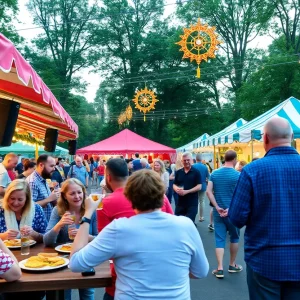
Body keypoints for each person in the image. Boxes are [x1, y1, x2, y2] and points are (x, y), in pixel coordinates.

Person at [70, 169, 209, 300]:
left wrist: (87, 215)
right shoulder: (186, 225)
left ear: (130, 198)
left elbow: (75, 264)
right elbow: (200, 272)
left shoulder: (119, 229)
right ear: (163, 194)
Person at [229, 117, 300, 299]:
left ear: (265, 138)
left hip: (264, 259)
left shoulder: (252, 171)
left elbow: (237, 218)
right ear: (291, 137)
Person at [44, 178, 97, 300]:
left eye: (79, 192)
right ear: (64, 196)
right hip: (63, 261)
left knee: (87, 294)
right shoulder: (58, 211)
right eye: (72, 193)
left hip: (85, 257)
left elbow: (98, 239)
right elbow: (46, 241)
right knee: (64, 294)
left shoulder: (90, 211)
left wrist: (84, 235)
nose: (77, 196)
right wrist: (59, 225)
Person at [206, 150, 242, 279]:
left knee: (219, 239)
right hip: (232, 212)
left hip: (218, 212)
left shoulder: (215, 173)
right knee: (234, 237)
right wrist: (230, 209)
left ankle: (219, 267)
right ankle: (232, 264)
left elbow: (208, 192)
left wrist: (216, 206)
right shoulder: (238, 175)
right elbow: (240, 195)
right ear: (234, 159)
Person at [27, 155, 59, 222]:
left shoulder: (43, 179)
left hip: (46, 223)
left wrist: (54, 196)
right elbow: (29, 207)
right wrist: (49, 199)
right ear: (41, 165)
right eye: (51, 166)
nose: (54, 169)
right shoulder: (32, 182)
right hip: (38, 227)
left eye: (54, 166)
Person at [173, 152, 201, 224]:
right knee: (178, 223)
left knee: (189, 223)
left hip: (192, 203)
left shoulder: (196, 172)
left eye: (188, 160)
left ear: (191, 160)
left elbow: (199, 186)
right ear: (182, 161)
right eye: (184, 160)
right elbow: (174, 184)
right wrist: (176, 189)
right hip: (180, 202)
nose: (186, 162)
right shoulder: (178, 172)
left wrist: (187, 191)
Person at [193, 154, 210, 222]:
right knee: (202, 201)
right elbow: (208, 177)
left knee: (194, 201)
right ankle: (201, 216)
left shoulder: (193, 166)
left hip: (194, 186)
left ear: (196, 159)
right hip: (203, 185)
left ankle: (194, 216)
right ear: (201, 159)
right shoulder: (205, 167)